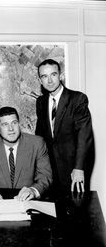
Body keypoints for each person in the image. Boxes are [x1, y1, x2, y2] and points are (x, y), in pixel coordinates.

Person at [0, 106, 52, 206]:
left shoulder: (37, 143)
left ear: (19, 124)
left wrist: (33, 190)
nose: (11, 129)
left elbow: (45, 176)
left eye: (14, 123)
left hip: (28, 203)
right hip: (0, 202)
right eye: (5, 124)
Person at [35, 59, 94, 193]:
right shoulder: (41, 102)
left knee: (76, 209)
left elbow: (84, 136)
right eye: (44, 76)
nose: (49, 80)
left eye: (53, 74)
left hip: (73, 169)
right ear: (40, 80)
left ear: (60, 76)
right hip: (49, 169)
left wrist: (79, 168)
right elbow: (40, 135)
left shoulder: (77, 99)